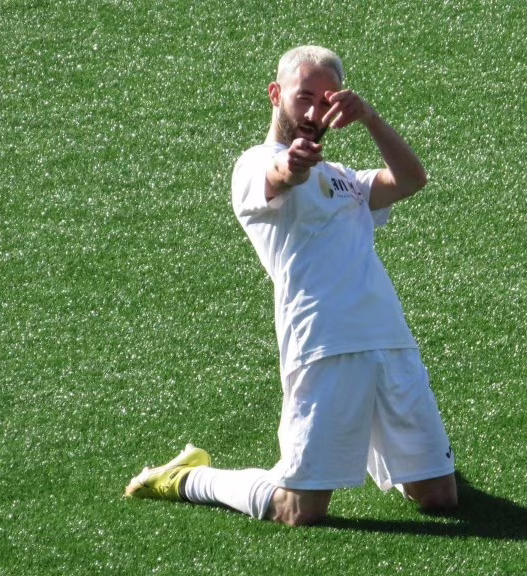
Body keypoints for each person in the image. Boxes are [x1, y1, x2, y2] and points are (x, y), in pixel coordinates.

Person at [125, 45, 457, 526]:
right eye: (304, 97)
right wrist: (294, 164)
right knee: (298, 509)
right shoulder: (254, 164)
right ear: (275, 94)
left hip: (390, 340)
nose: (314, 112)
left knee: (439, 497)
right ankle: (189, 477)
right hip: (322, 344)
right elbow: (280, 176)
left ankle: (378, 445)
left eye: (326, 101)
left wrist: (370, 118)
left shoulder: (345, 178)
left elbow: (411, 179)